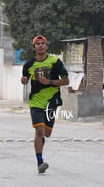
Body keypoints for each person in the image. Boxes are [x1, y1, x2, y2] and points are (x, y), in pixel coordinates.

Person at [21, 35, 69, 174]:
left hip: (52, 101)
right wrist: (24, 80)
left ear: (46, 47)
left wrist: (50, 82)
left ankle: (41, 141)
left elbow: (66, 81)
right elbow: (25, 79)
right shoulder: (28, 65)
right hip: (36, 101)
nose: (41, 46)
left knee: (46, 133)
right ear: (34, 48)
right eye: (38, 44)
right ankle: (40, 162)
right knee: (39, 130)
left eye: (43, 43)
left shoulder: (55, 62)